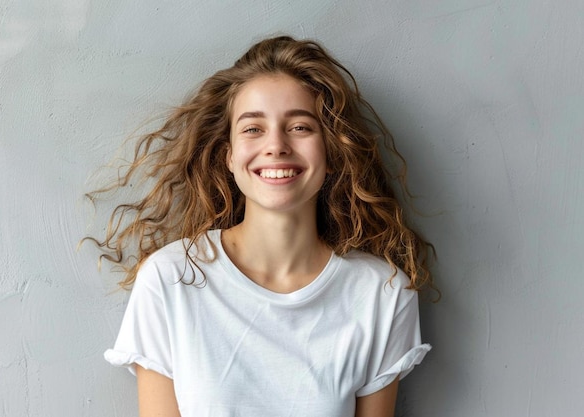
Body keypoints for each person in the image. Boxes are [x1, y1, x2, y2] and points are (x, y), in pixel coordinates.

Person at [90, 35, 437, 417]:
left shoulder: (381, 295)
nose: (276, 145)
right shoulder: (170, 280)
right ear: (229, 156)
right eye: (253, 129)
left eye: (301, 127)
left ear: (333, 151)